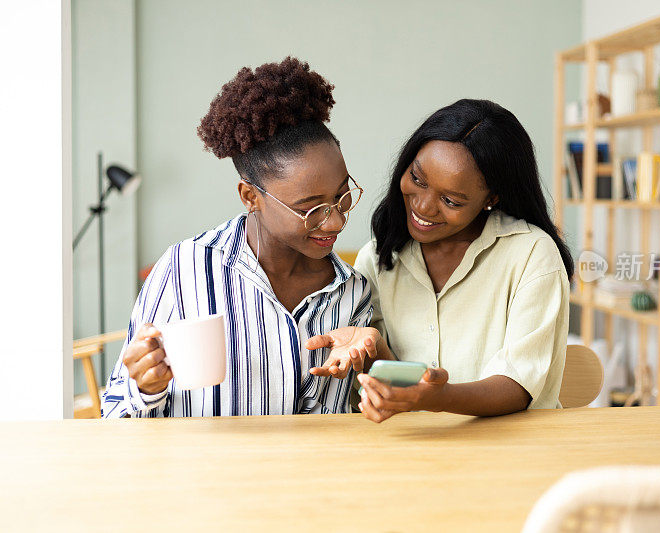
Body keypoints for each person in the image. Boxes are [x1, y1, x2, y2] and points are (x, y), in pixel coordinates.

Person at [102, 57, 374, 418]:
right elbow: (115, 416)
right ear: (251, 197)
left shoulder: (352, 292)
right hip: (208, 473)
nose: (336, 221)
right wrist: (145, 388)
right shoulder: (184, 270)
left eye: (342, 196)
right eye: (311, 209)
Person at [308, 99, 574, 423]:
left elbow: (518, 386)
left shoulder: (531, 254)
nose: (423, 207)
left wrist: (439, 398)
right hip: (416, 453)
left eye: (450, 200)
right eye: (417, 180)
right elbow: (400, 387)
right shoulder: (379, 259)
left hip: (511, 456)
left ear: (491, 198)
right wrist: (375, 349)